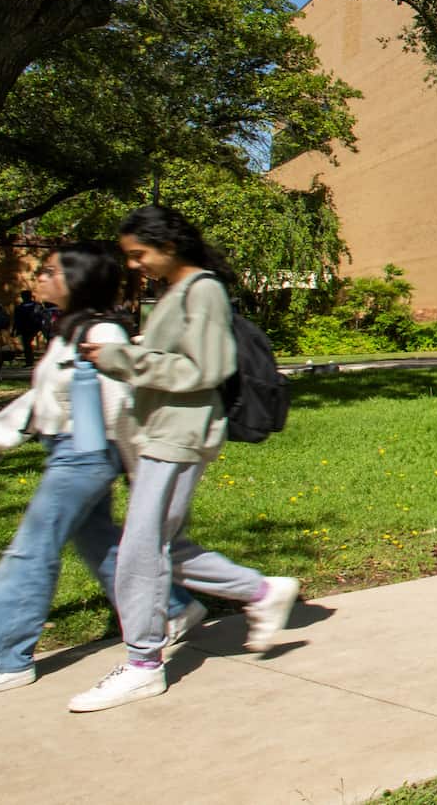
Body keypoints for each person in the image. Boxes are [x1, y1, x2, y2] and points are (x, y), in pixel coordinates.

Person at [0, 243, 203, 700]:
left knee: (30, 549)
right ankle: (172, 609)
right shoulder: (69, 332)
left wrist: (145, 472)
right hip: (67, 447)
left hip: (85, 454)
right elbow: (40, 401)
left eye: (48, 272)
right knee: (99, 542)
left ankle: (4, 657)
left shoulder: (102, 334)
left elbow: (124, 406)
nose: (37, 279)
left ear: (77, 280)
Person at [68, 205, 300, 714]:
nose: (133, 265)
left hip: (180, 434)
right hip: (162, 433)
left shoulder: (203, 290)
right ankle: (261, 592)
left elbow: (206, 368)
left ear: (168, 245)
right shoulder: (177, 292)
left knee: (140, 548)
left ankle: (143, 664)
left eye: (139, 254)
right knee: (163, 546)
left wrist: (119, 358)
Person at [10, 290, 46, 366]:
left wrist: (14, 331)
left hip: (25, 329)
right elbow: (43, 316)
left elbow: (17, 320)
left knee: (27, 345)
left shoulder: (19, 307)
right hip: (37, 327)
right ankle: (42, 361)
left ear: (23, 297)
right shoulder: (37, 305)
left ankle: (29, 361)